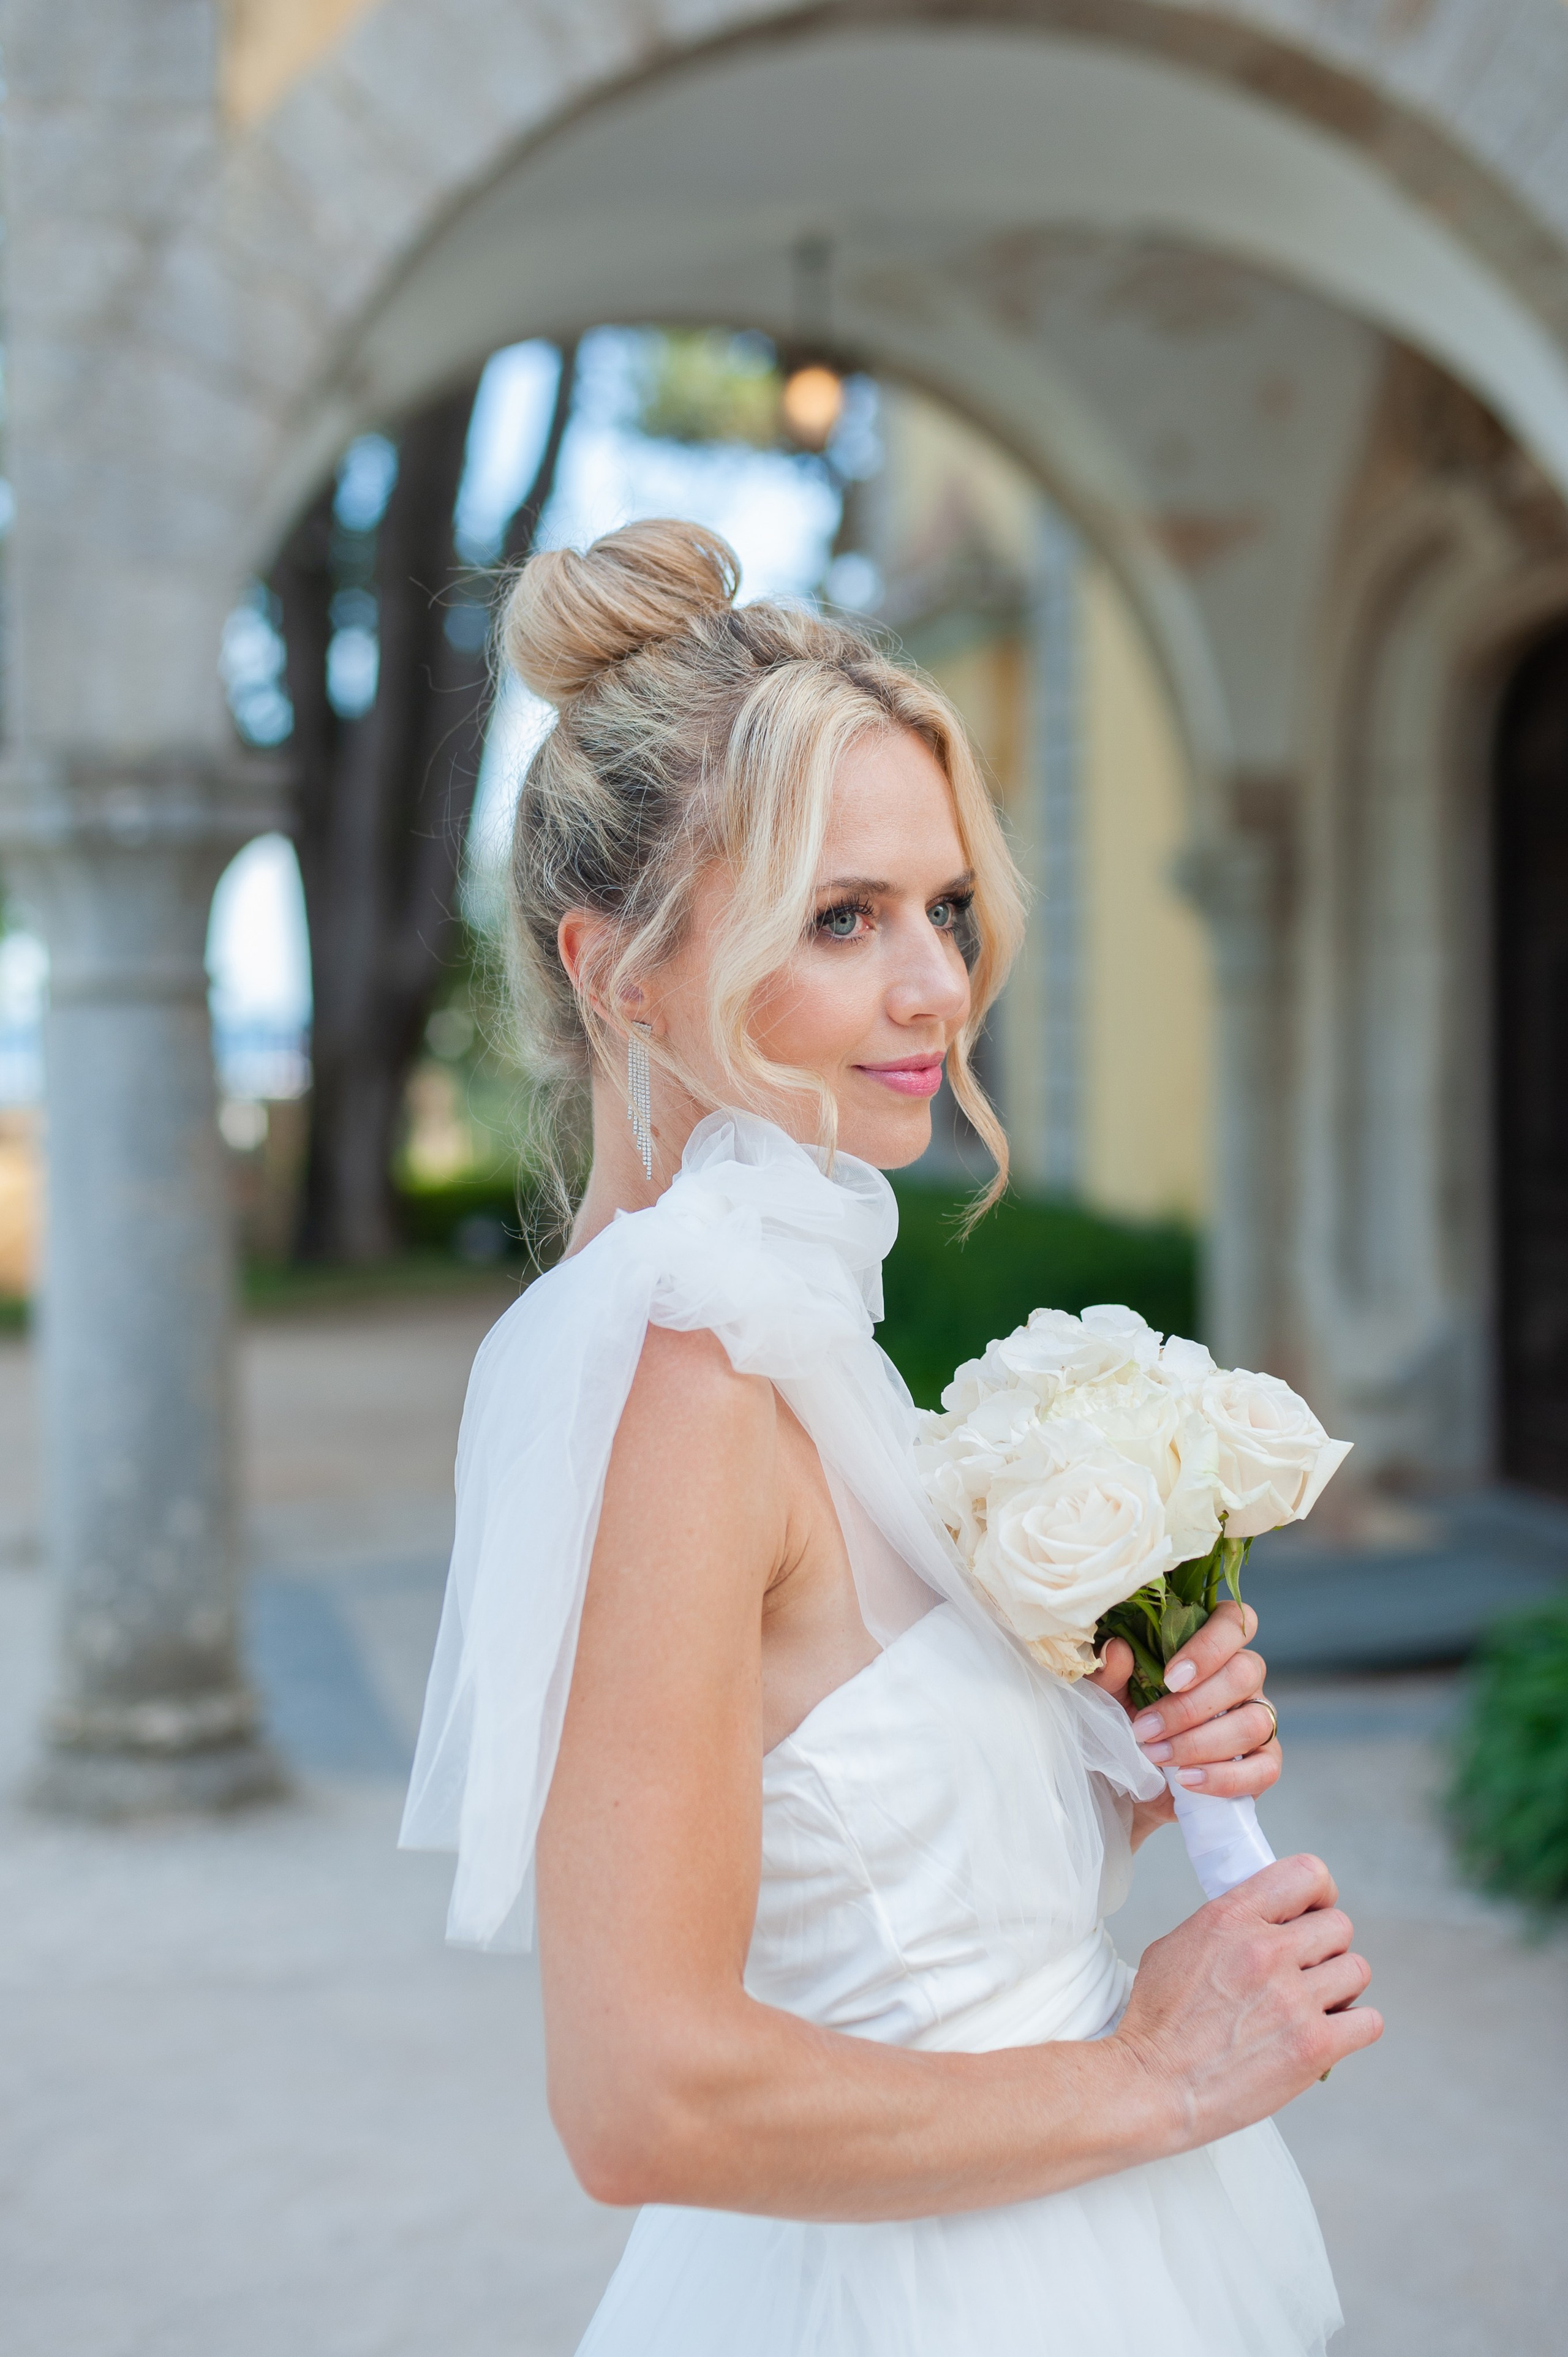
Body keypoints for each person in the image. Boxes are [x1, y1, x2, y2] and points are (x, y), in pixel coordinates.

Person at [401, 518, 1381, 2355]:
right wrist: (1161, 2076)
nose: (937, 983)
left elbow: (878, 1911)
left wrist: (1116, 1763)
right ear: (617, 970)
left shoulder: (787, 1328)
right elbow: (640, 2097)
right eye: (841, 917)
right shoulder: (678, 1382)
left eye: (942, 906)